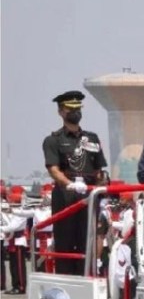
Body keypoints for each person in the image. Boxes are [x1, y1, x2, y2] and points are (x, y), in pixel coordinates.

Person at [42, 90, 108, 275]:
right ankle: (67, 280)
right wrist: (69, 183)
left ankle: (87, 277)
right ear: (61, 112)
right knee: (65, 241)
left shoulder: (92, 138)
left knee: (87, 240)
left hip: (88, 192)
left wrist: (102, 184)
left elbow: (98, 169)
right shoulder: (53, 140)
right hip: (66, 193)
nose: (76, 112)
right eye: (71, 109)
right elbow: (54, 169)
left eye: (78, 108)